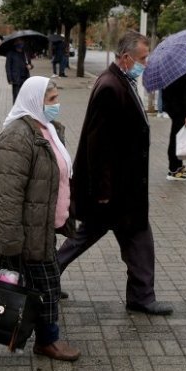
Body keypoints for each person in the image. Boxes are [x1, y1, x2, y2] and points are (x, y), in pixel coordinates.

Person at [0, 77, 80, 361]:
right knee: (48, 285)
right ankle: (47, 341)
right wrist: (12, 238)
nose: (56, 105)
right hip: (26, 230)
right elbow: (8, 194)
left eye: (57, 98)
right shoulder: (17, 137)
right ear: (34, 101)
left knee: (9, 274)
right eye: (51, 100)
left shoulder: (49, 129)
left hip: (42, 223)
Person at [57, 30, 173, 316]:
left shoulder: (121, 81)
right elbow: (99, 145)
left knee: (131, 238)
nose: (145, 63)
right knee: (116, 237)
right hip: (114, 192)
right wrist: (103, 191)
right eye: (142, 58)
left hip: (122, 190)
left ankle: (140, 295)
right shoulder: (111, 86)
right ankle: (141, 296)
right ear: (125, 58)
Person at [161, 69, 186, 181]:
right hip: (179, 109)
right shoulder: (182, 68)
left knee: (178, 137)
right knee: (176, 139)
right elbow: (185, 92)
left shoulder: (171, 68)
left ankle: (178, 166)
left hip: (173, 106)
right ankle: (174, 170)